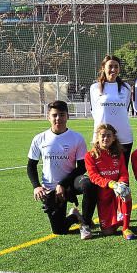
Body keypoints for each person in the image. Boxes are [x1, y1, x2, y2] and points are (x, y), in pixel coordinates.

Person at [27, 101, 88, 237]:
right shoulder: (39, 139)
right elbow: (31, 166)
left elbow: (82, 167)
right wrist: (36, 186)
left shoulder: (77, 138)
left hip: (70, 184)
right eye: (54, 115)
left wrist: (63, 184)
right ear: (48, 117)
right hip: (50, 188)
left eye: (62, 115)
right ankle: (74, 216)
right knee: (59, 230)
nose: (58, 118)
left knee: (88, 184)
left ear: (67, 116)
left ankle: (87, 222)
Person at [81, 124, 134, 238]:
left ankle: (126, 228)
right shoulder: (90, 155)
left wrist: (122, 183)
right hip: (104, 194)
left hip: (117, 192)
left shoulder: (119, 153)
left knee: (126, 192)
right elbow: (94, 176)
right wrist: (111, 184)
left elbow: (123, 173)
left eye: (109, 135)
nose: (105, 138)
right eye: (103, 136)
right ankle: (115, 221)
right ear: (97, 138)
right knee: (108, 231)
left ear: (114, 138)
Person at [90, 55, 134, 160]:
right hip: (102, 138)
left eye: (116, 66)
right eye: (110, 66)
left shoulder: (126, 88)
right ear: (103, 68)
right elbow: (95, 112)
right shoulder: (95, 88)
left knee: (122, 172)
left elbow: (125, 109)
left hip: (124, 137)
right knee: (104, 172)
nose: (113, 69)